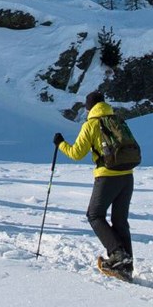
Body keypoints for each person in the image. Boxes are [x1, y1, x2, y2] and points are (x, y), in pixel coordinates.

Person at [55, 91, 136, 278]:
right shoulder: (118, 121)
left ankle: (117, 254)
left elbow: (76, 153)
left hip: (107, 176)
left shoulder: (91, 124)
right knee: (120, 221)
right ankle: (126, 266)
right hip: (128, 175)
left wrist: (60, 144)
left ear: (89, 107)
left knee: (94, 215)